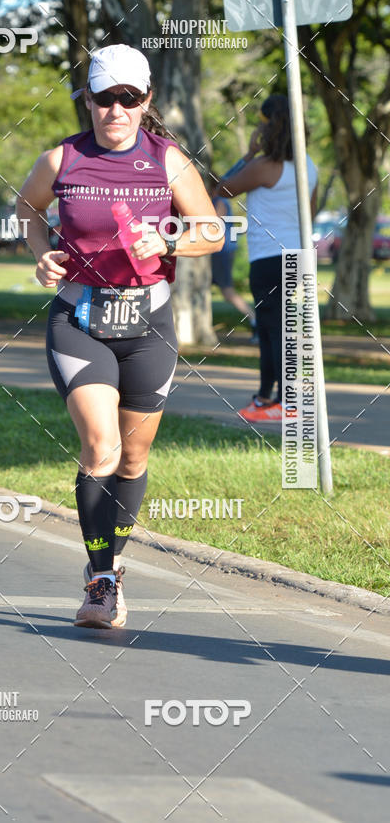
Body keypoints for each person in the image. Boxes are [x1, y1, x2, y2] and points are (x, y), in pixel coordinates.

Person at [17, 44, 222, 628]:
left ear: (146, 100)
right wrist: (41, 255)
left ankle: (111, 562)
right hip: (79, 320)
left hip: (149, 323)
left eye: (128, 99)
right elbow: (26, 208)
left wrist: (171, 242)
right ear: (87, 100)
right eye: (104, 98)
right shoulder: (61, 160)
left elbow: (213, 230)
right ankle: (101, 579)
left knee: (132, 459)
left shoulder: (168, 160)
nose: (116, 110)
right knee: (100, 447)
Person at [214, 94, 318, 422]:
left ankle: (282, 403)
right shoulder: (309, 167)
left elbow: (222, 189)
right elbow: (310, 216)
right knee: (280, 330)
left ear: (269, 128)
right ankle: (267, 399)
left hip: (269, 258)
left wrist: (249, 154)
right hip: (298, 256)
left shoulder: (263, 167)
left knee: (273, 330)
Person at [209, 188, 258, 343]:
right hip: (218, 250)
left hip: (220, 251)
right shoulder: (217, 201)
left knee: (227, 291)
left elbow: (213, 225)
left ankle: (255, 321)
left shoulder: (220, 202)